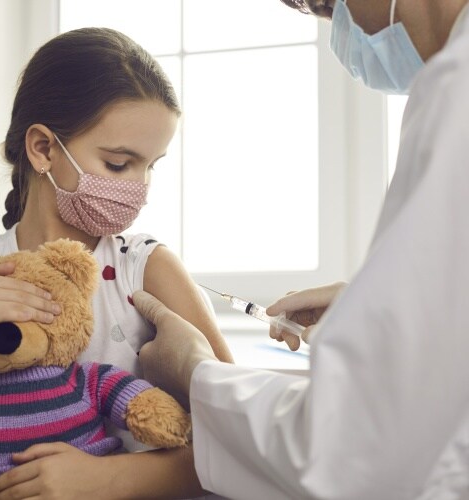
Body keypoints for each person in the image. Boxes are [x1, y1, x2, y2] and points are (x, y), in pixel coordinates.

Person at [129, 0, 469, 498]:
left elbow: (356, 451)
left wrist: (195, 373)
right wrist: (376, 308)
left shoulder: (454, 94)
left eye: (327, 6)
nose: (341, 28)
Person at [0, 27, 233, 499]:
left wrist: (108, 478)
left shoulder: (145, 267)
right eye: (119, 164)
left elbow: (235, 441)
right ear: (43, 148)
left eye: (151, 165)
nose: (141, 187)